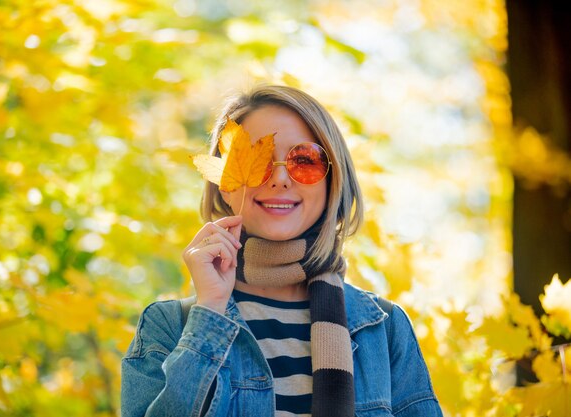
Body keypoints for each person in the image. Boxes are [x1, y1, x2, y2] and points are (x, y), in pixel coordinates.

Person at [121, 85, 443, 417]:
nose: (279, 178)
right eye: (256, 162)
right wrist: (209, 316)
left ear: (334, 182)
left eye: (304, 160)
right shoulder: (168, 327)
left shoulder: (384, 328)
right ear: (224, 186)